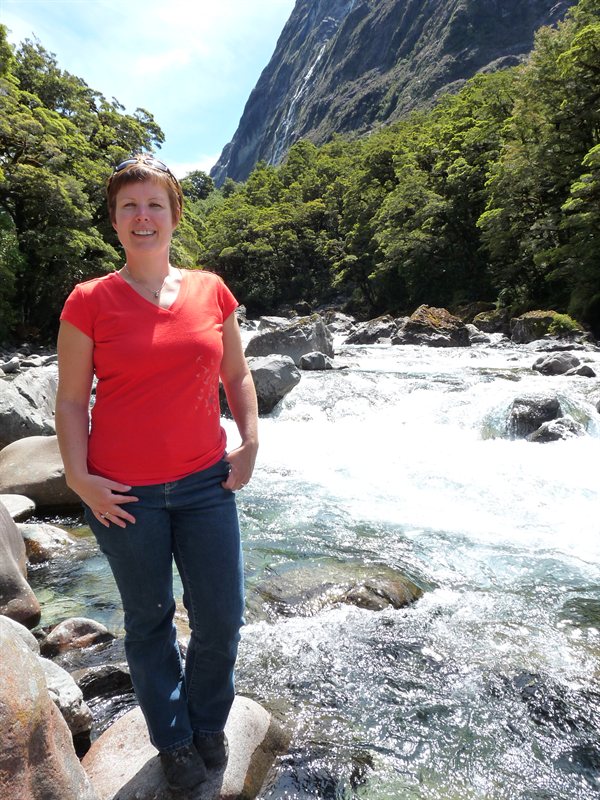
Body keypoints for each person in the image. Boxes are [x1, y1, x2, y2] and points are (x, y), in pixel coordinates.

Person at [55, 154, 258, 791]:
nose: (143, 217)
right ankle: (172, 740)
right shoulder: (90, 301)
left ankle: (207, 723)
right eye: (129, 207)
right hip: (121, 492)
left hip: (205, 484)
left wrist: (250, 439)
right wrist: (77, 478)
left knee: (221, 618)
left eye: (155, 206)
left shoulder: (210, 290)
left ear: (174, 215)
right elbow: (68, 397)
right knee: (148, 621)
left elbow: (237, 374)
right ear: (115, 220)